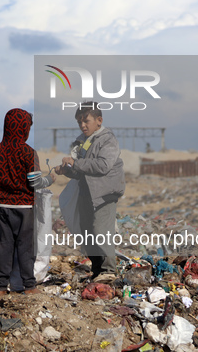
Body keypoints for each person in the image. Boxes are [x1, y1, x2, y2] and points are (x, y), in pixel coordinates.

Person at [0, 108, 56, 296]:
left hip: (4, 206)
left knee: (5, 246)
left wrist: (4, 192)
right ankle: (29, 286)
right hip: (25, 207)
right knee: (25, 247)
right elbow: (34, 182)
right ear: (24, 128)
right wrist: (50, 179)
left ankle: (1, 286)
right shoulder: (28, 153)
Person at [55, 101, 125, 283]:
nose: (82, 125)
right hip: (87, 193)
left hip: (103, 194)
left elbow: (103, 165)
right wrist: (68, 170)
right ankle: (97, 270)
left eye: (86, 121)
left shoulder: (108, 140)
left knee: (101, 231)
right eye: (79, 122)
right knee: (88, 233)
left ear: (99, 120)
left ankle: (109, 270)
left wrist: (75, 163)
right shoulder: (83, 142)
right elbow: (81, 171)